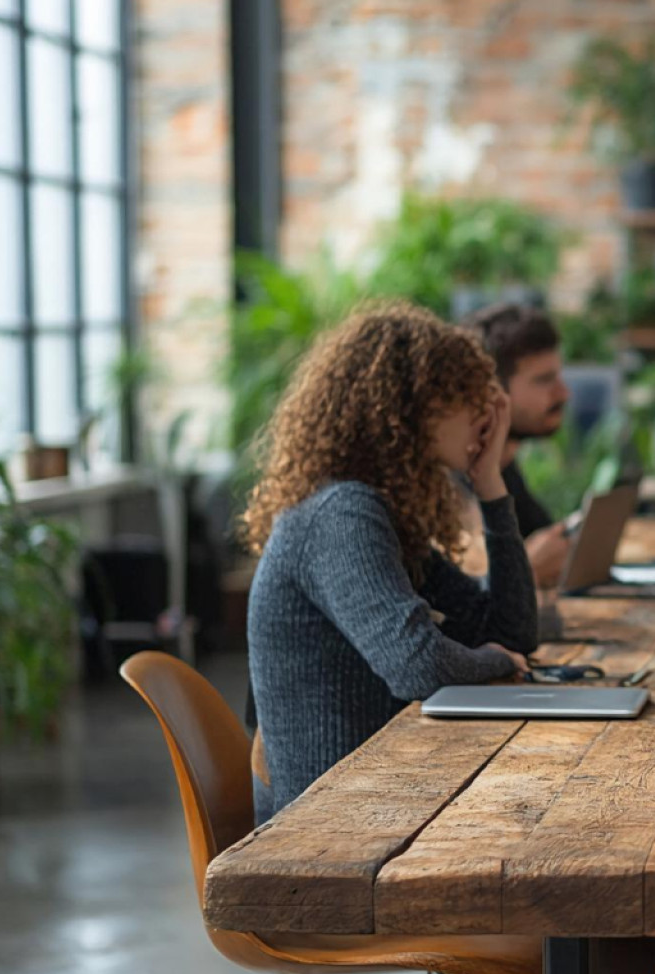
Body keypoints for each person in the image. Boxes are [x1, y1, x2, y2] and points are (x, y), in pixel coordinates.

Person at [241, 303, 537, 821]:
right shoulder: (342, 514)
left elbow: (511, 629)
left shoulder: (384, 515)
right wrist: (495, 661)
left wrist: (489, 482)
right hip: (329, 830)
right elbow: (416, 665)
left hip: (377, 800)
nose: (484, 413)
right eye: (464, 396)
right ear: (410, 408)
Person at [461, 302, 574, 587]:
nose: (564, 393)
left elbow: (543, 537)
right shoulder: (451, 481)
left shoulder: (504, 464)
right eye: (544, 380)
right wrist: (527, 569)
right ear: (493, 391)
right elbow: (466, 590)